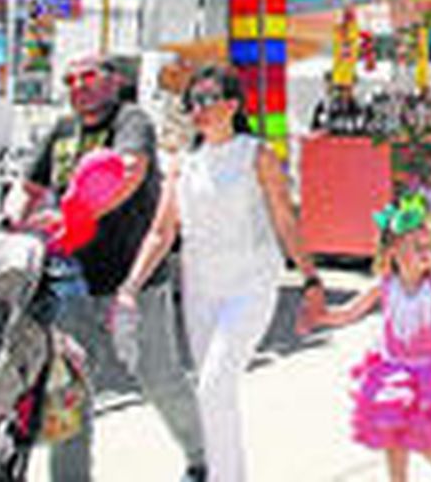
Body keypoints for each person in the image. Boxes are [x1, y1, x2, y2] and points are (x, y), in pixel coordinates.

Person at [118, 65, 325, 482]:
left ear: (233, 105)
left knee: (214, 385)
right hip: (201, 288)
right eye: (193, 102)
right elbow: (162, 232)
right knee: (213, 394)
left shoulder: (257, 154)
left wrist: (310, 279)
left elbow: (285, 220)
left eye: (209, 99)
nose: (200, 109)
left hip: (250, 282)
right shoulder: (182, 164)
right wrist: (130, 286)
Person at [4, 55, 206, 482]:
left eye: (89, 77)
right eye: (71, 79)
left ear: (115, 81)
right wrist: (10, 223)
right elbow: (27, 190)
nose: (79, 86)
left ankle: (203, 455)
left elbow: (130, 172)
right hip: (69, 283)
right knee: (69, 390)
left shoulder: (131, 122)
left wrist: (78, 216)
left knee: (159, 377)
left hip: (135, 281)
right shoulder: (60, 131)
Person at [298, 197, 431, 482]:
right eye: (417, 248)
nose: (426, 254)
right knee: (393, 439)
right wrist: (321, 317)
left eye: (428, 248)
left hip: (428, 373)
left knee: (426, 441)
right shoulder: (384, 285)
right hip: (392, 372)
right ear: (394, 252)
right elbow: (349, 312)